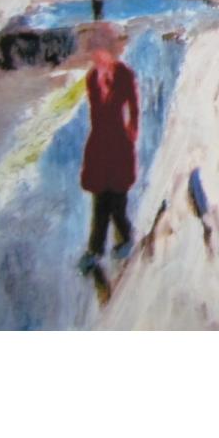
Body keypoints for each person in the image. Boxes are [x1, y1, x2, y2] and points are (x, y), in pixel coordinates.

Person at [78, 24, 140, 274]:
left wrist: (132, 130)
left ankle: (126, 238)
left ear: (109, 50)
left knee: (117, 200)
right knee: (100, 201)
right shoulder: (92, 78)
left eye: (99, 50)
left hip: (118, 143)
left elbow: (134, 107)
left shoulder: (124, 74)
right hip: (99, 144)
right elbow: (96, 113)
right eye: (94, 52)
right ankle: (95, 250)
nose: (96, 56)